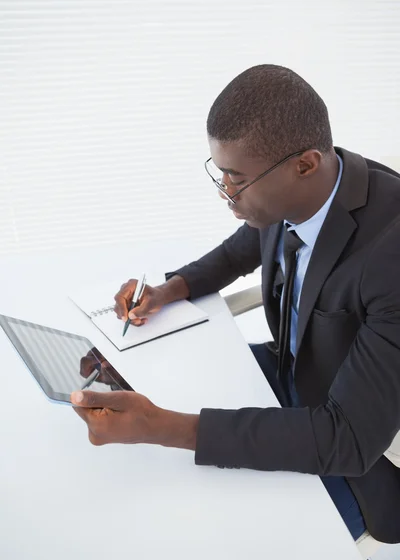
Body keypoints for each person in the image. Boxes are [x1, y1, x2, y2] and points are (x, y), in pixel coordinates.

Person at [71, 64, 400, 544]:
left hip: (357, 457)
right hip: (291, 379)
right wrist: (172, 288)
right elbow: (244, 247)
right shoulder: (305, 190)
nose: (226, 192)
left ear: (304, 165)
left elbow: (347, 439)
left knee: (197, 532)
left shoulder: (391, 255)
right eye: (220, 172)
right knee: (149, 388)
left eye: (236, 179)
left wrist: (161, 428)